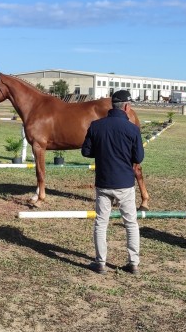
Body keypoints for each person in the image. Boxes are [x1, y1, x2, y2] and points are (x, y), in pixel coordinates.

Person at [81, 90, 145, 275]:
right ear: (126, 106)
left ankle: (100, 262)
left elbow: (86, 152)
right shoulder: (132, 129)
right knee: (131, 223)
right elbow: (138, 157)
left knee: (101, 223)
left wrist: (101, 150)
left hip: (103, 182)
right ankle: (133, 262)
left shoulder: (96, 126)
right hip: (125, 183)